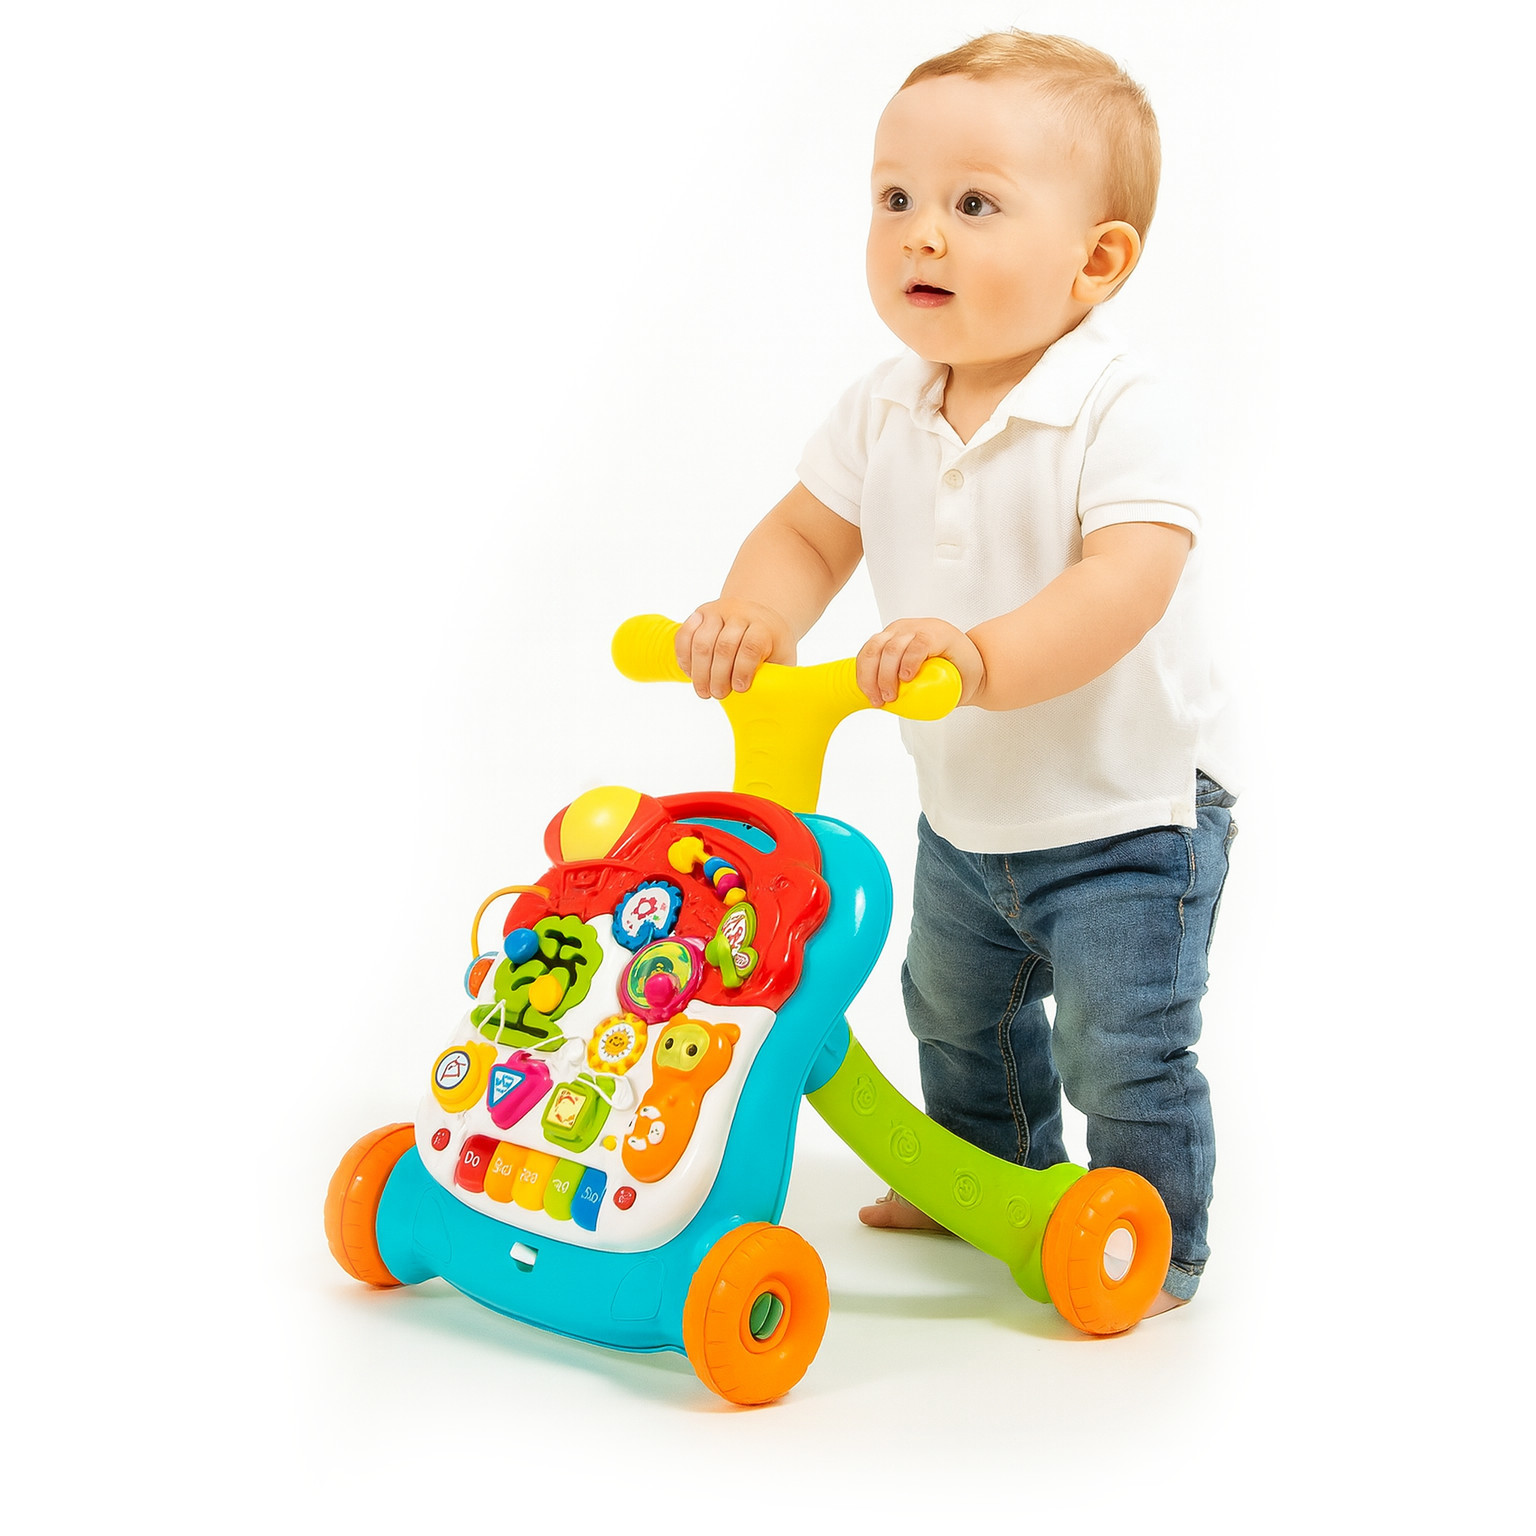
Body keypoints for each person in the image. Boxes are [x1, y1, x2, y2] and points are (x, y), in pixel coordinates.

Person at [674, 30, 1239, 1313]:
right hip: (968, 808)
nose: (920, 232)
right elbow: (808, 533)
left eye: (974, 205)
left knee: (1119, 1046)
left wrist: (981, 657)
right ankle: (979, 1172)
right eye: (895, 197)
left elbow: (1126, 583)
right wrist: (755, 615)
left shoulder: (1120, 405)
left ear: (1097, 261)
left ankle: (1151, 1239)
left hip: (1125, 817)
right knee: (953, 1010)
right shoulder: (884, 404)